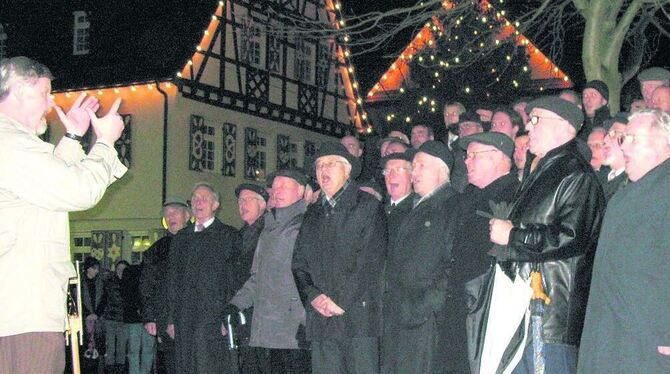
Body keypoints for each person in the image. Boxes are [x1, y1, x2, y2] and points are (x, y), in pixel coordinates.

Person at [0, 56, 127, 374]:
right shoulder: (12, 144)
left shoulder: (12, 145)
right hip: (24, 312)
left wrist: (72, 139)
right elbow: (77, 191)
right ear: (18, 90)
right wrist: (106, 143)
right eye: (44, 93)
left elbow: (44, 192)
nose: (50, 103)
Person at [488, 97, 605, 374]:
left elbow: (571, 237)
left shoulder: (576, 175)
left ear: (564, 127)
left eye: (536, 120)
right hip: (525, 312)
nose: (528, 126)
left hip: (551, 317)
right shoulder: (544, 171)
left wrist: (514, 236)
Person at [578, 109, 670, 374]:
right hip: (609, 336)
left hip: (646, 345)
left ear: (663, 142)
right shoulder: (624, 193)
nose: (624, 146)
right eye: (623, 139)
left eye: (633, 139)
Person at [292, 142, 386, 374]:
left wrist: (339, 300)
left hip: (357, 320)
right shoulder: (312, 213)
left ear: (348, 170)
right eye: (320, 165)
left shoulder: (368, 207)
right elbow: (299, 263)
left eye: (331, 163)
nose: (324, 170)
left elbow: (370, 261)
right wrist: (313, 296)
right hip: (321, 322)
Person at [381, 141, 458, 373]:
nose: (413, 173)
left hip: (425, 322)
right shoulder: (417, 207)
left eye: (421, 166)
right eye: (413, 167)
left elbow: (452, 267)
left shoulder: (452, 207)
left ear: (441, 170)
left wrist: (421, 307)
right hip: (400, 315)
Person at [226, 169, 311, 374]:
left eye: (284, 186)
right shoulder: (268, 229)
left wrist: (306, 320)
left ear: (300, 191)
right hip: (269, 330)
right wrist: (236, 304)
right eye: (274, 187)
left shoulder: (307, 225)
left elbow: (313, 278)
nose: (276, 191)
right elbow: (257, 277)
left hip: (294, 330)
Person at [449, 132, 519, 373]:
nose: (466, 162)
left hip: (487, 310)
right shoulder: (468, 195)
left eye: (473, 156)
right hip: (460, 306)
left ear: (498, 158)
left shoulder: (515, 197)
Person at [166, 182, 240, 373]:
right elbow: (173, 280)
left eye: (204, 198)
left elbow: (233, 280)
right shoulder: (181, 238)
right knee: (186, 365)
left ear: (215, 205)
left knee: (209, 365)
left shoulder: (228, 236)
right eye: (195, 199)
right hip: (184, 318)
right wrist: (171, 318)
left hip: (213, 317)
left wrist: (227, 317)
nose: (198, 202)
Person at [139, 197, 191, 374]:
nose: (170, 217)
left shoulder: (199, 243)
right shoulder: (157, 249)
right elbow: (147, 285)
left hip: (194, 318)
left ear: (187, 215)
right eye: (167, 214)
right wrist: (149, 317)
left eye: (175, 212)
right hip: (165, 317)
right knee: (171, 364)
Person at [380, 149, 416, 246]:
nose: (391, 176)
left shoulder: (417, 211)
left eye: (399, 170)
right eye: (387, 171)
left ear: (412, 176)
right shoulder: (377, 209)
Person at [103, 260, 129, 373]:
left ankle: (120, 368)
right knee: (110, 345)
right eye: (119, 268)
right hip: (110, 317)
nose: (121, 271)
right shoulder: (109, 281)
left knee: (122, 346)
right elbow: (112, 297)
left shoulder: (129, 281)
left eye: (123, 269)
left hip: (123, 318)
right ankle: (109, 368)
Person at [600, 114, 628, 202]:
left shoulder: (634, 183)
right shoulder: (599, 178)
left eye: (614, 133)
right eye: (607, 134)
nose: (605, 140)